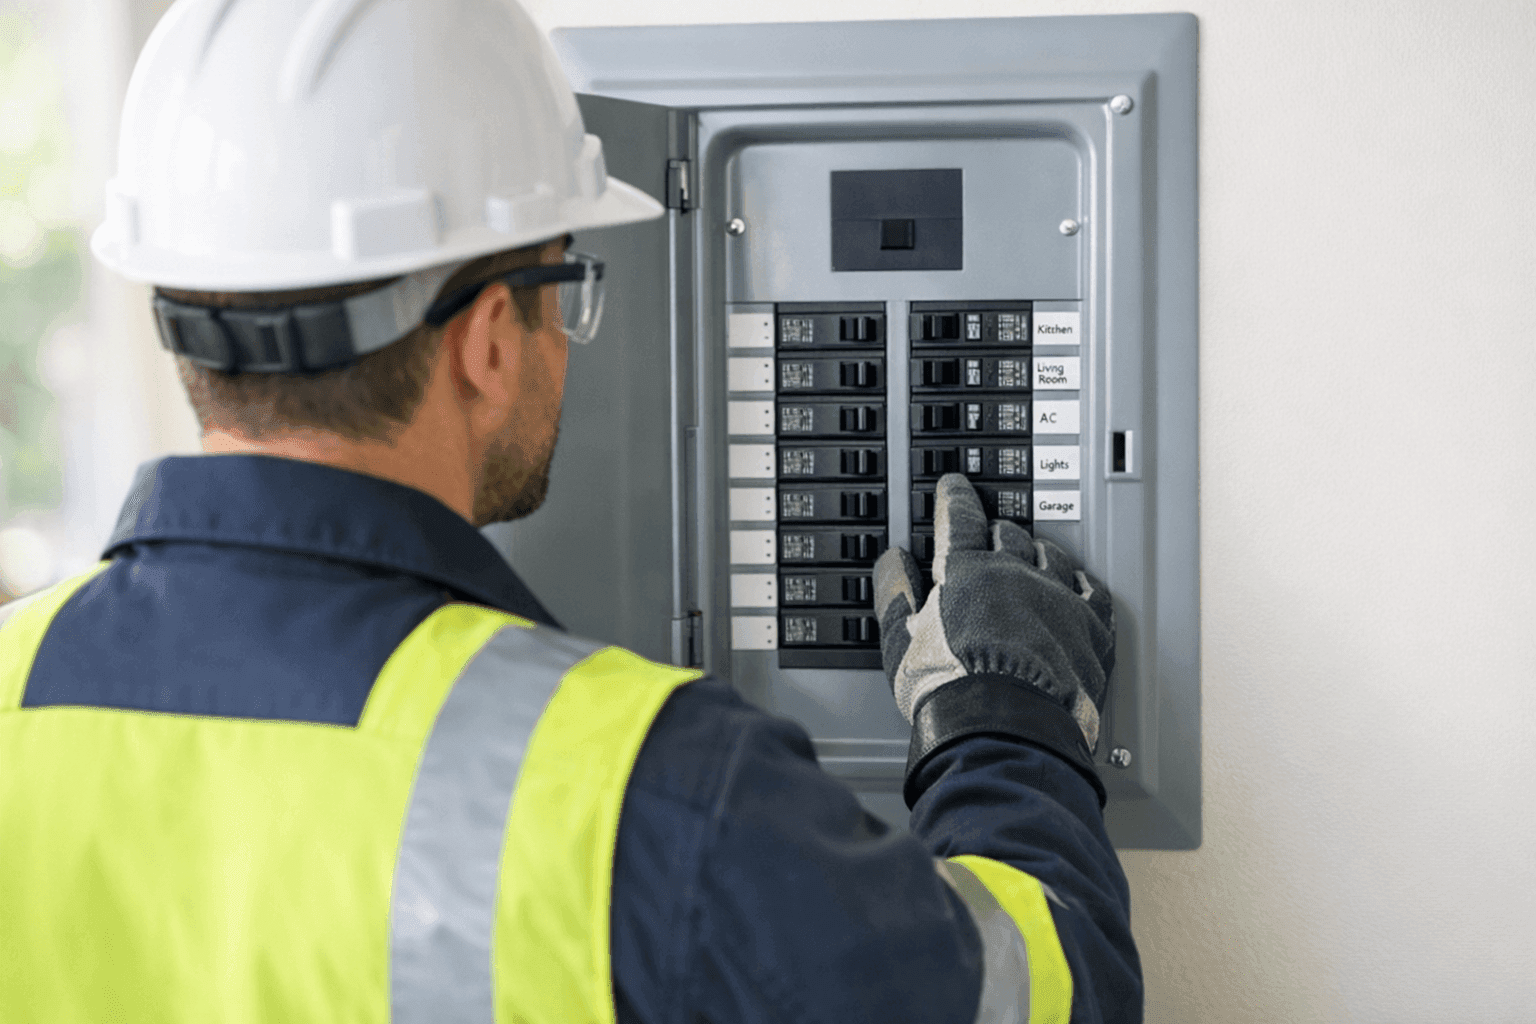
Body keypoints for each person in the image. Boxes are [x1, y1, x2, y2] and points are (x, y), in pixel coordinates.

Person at [0, 1, 1141, 1021]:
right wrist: (1002, 717)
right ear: (492, 339)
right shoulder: (650, 786)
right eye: (565, 283)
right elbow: (1034, 998)